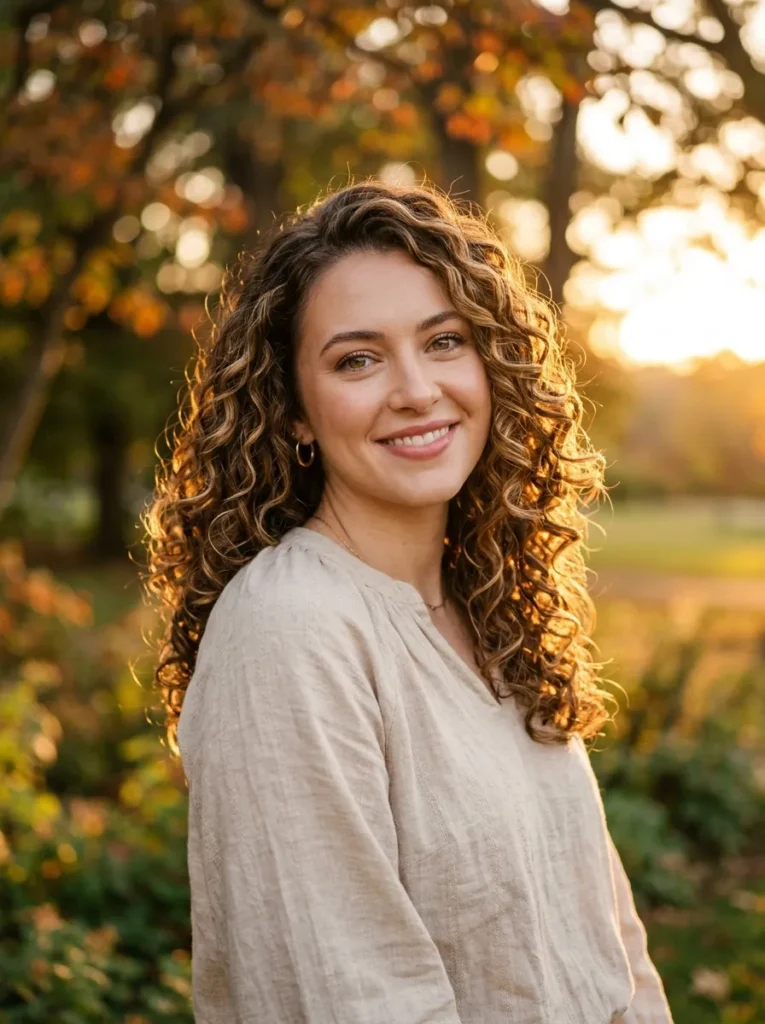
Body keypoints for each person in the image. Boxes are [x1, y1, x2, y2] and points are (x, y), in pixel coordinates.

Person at [141, 179, 674, 1023]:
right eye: (357, 359)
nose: (417, 389)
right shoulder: (291, 630)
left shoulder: (490, 609)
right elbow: (346, 993)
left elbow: (609, 943)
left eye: (443, 341)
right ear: (294, 412)